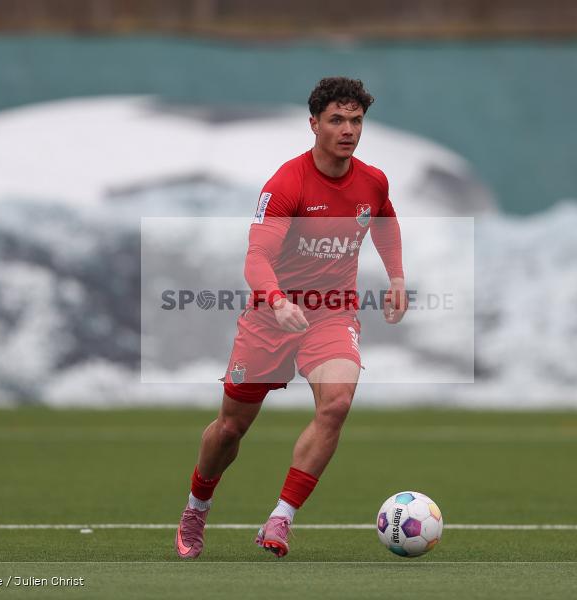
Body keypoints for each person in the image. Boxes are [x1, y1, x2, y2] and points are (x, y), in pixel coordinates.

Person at [175, 77, 407, 559]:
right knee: (230, 429)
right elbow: (256, 256)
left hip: (332, 314)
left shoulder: (372, 180)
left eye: (356, 120)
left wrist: (398, 278)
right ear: (314, 124)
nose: (348, 130)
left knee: (337, 404)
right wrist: (278, 301)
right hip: (271, 317)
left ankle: (281, 518)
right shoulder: (287, 183)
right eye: (337, 120)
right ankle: (197, 506)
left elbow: (384, 221)